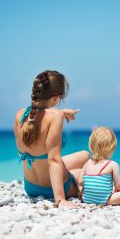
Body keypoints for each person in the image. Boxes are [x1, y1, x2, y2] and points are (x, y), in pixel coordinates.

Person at [13, 70, 89, 209]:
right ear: (56, 98)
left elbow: (40, 117)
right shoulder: (55, 117)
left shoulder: (20, 115)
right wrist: (60, 199)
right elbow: (54, 159)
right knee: (80, 173)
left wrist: (62, 112)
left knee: (84, 155)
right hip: (51, 189)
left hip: (30, 187)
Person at [80, 127, 120, 205]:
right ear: (112, 148)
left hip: (86, 199)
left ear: (91, 146)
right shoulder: (112, 164)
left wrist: (92, 187)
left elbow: (80, 182)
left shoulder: (87, 163)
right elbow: (118, 186)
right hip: (105, 200)